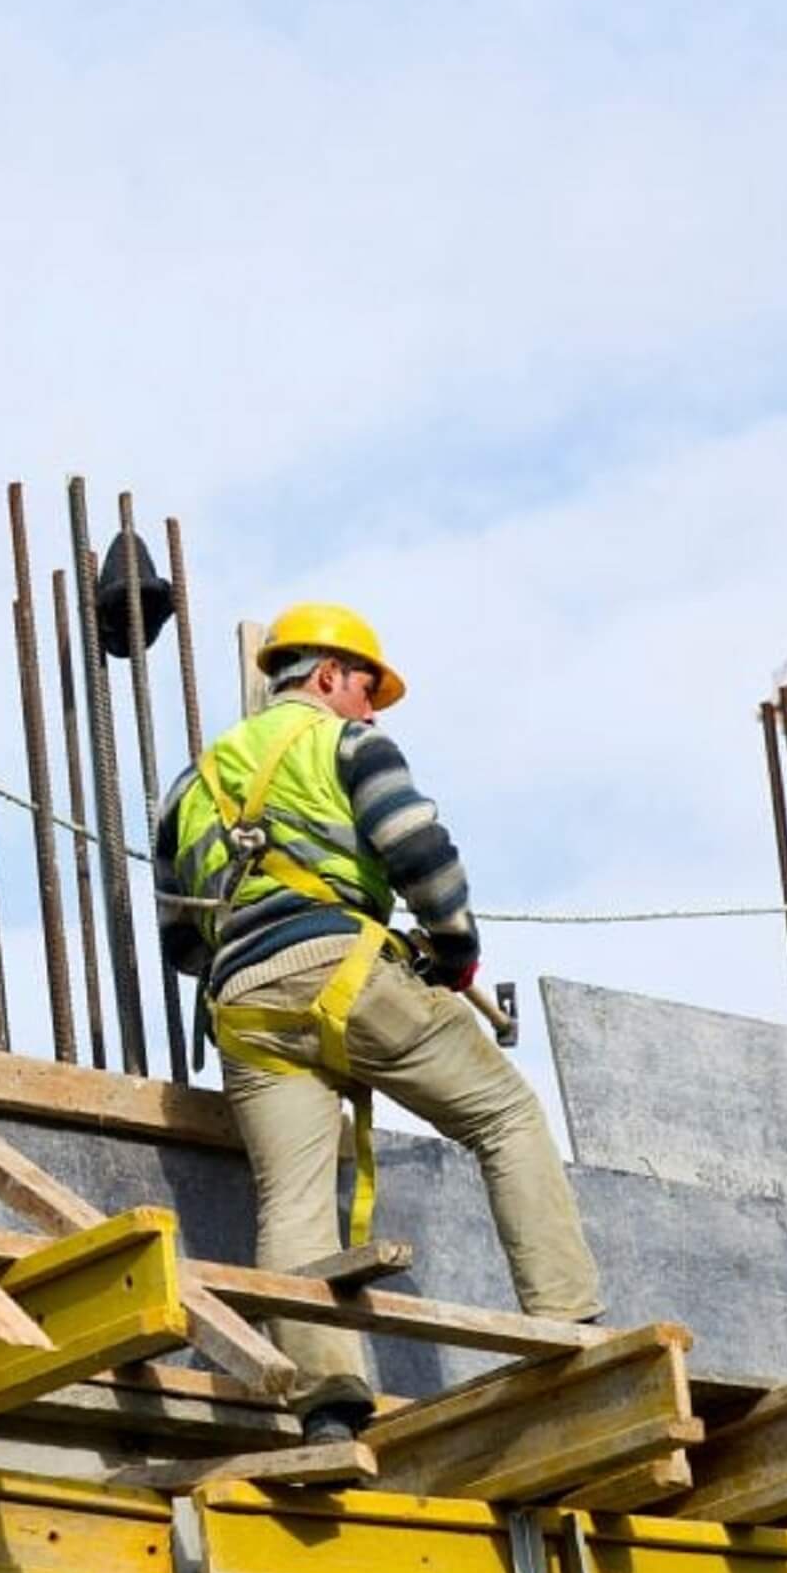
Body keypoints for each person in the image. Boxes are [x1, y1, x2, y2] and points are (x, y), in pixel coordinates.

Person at [155, 602, 600, 1441]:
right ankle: (570, 1326)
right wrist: (455, 950)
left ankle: (327, 1405)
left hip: (244, 1007)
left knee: (291, 1200)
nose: (372, 708)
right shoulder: (347, 744)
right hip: (347, 974)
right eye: (366, 689)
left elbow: (181, 940)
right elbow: (419, 850)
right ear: (326, 677)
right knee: (505, 1116)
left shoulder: (190, 786)